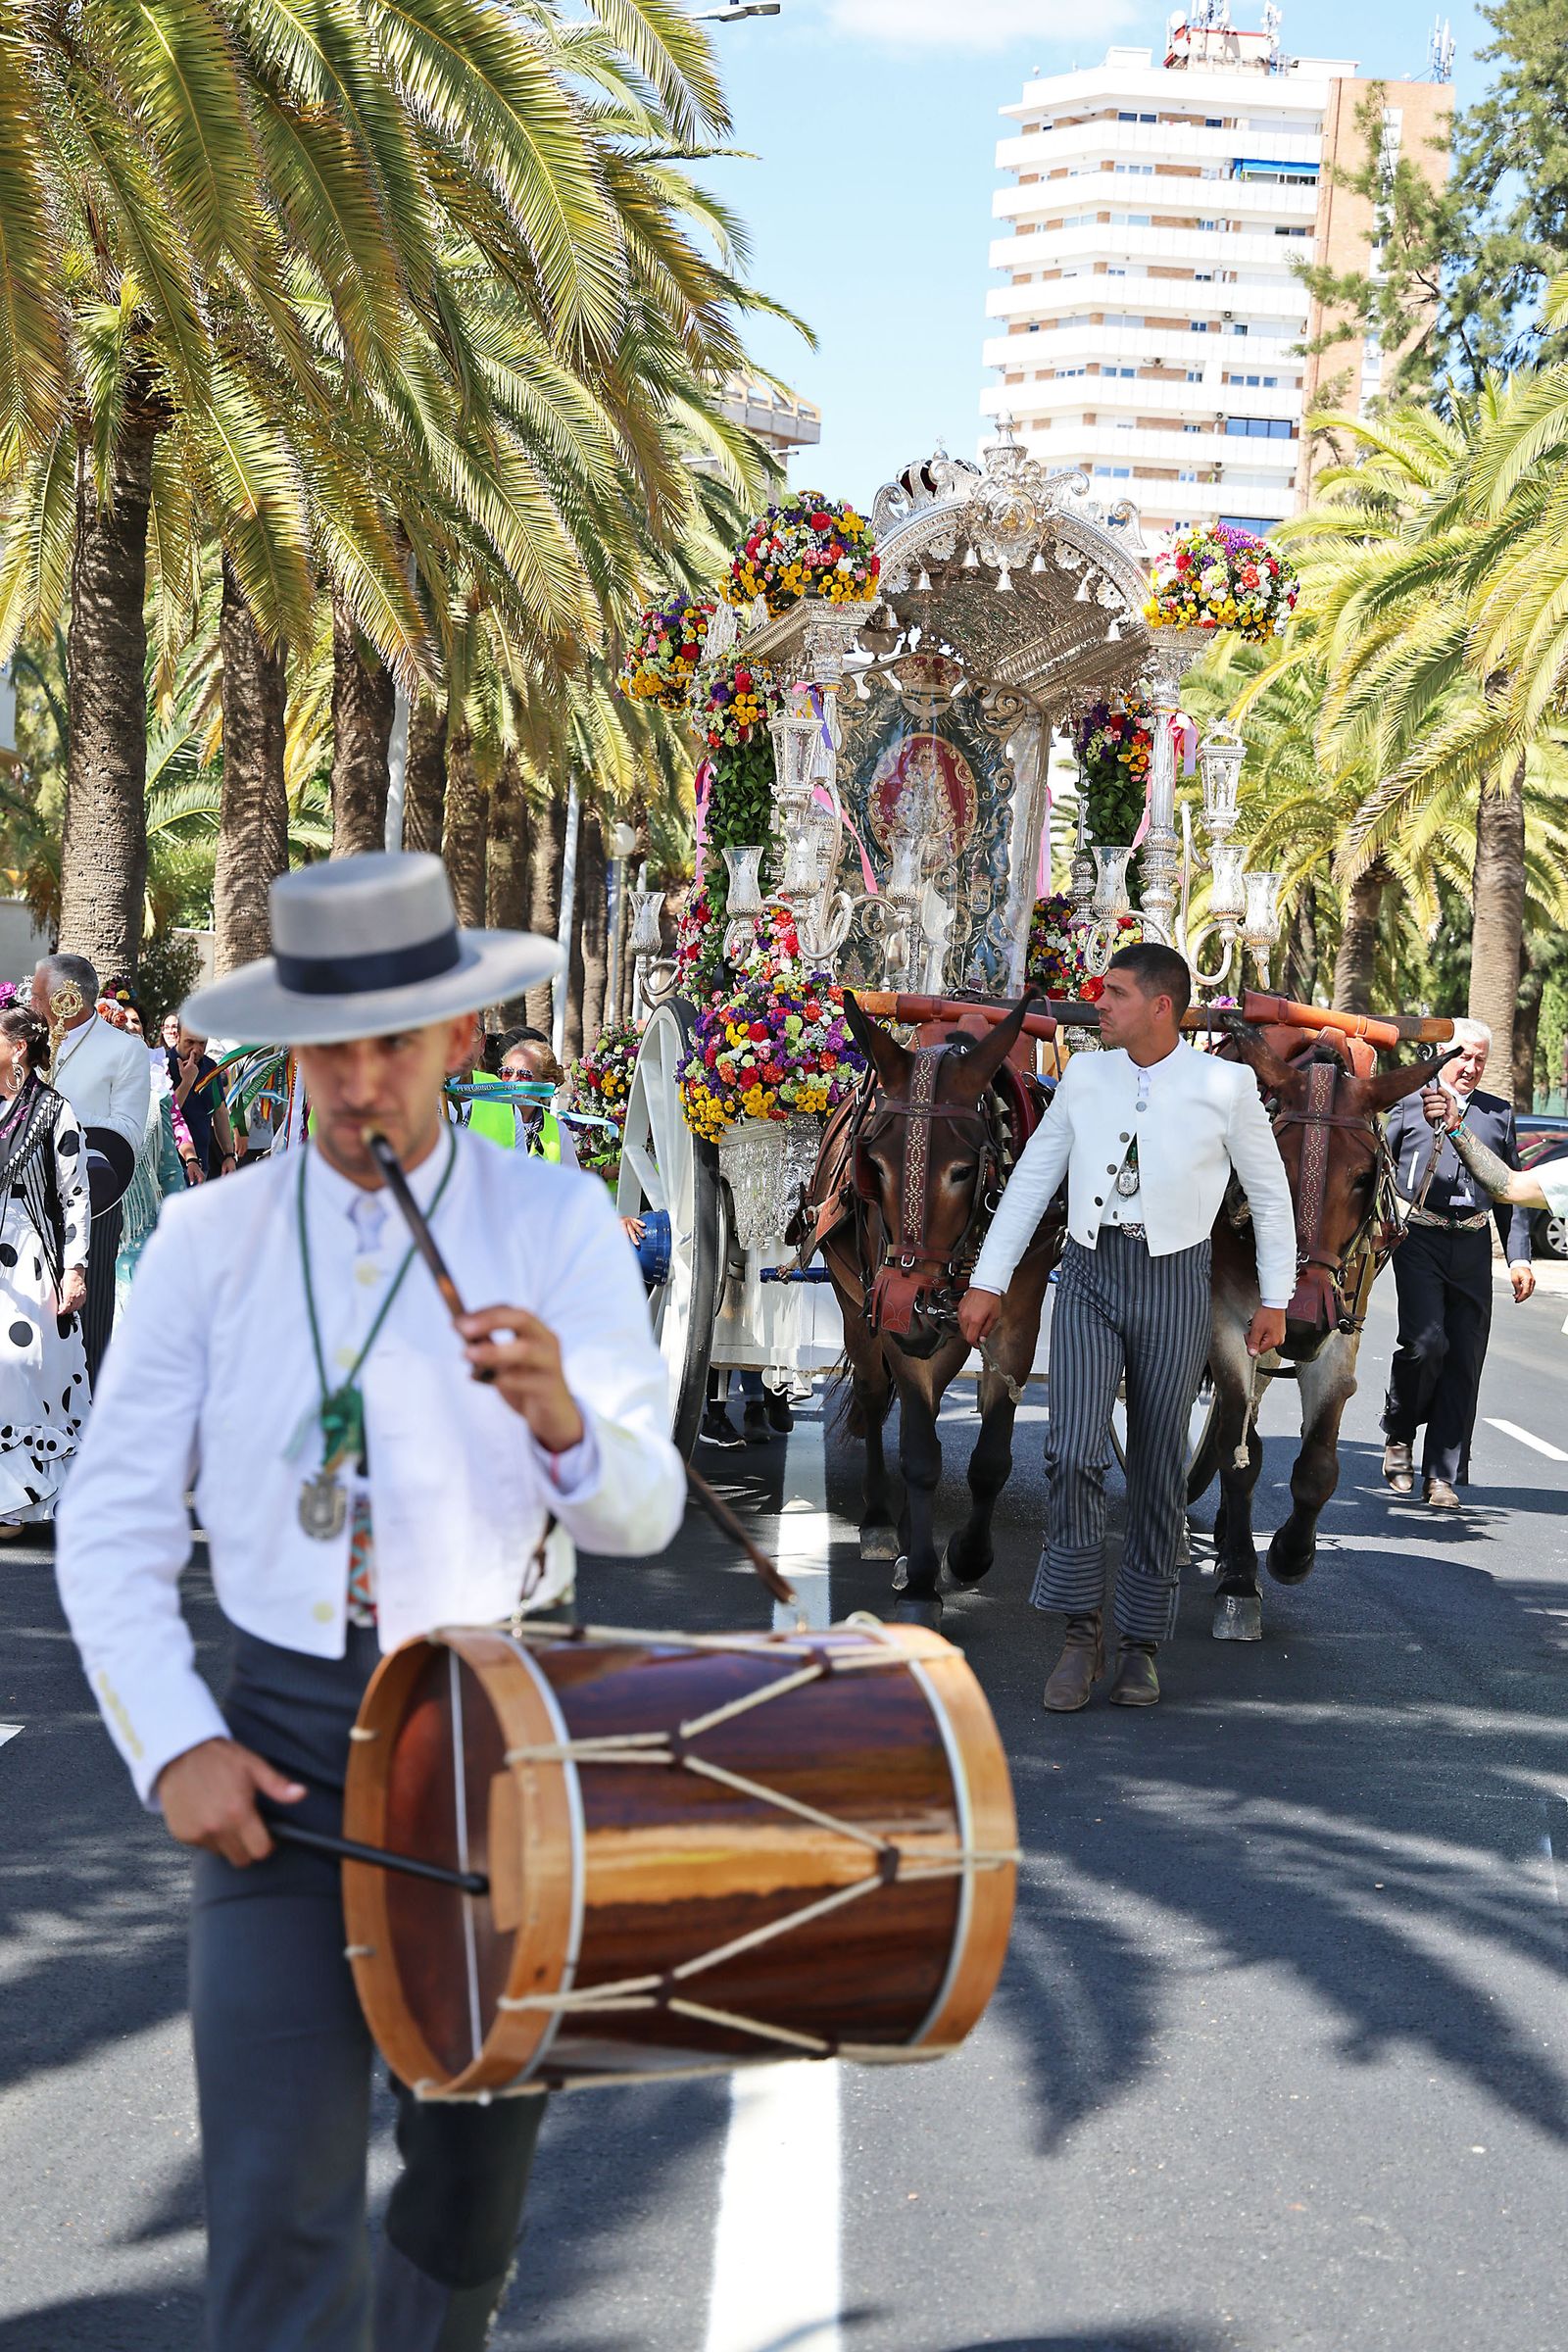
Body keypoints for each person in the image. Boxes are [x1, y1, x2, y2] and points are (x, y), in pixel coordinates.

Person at [55, 852, 685, 2352]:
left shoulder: (559, 1224)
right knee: (277, 2206)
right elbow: (112, 1523)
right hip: (276, 1739)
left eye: (390, 1042)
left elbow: (645, 1510)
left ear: (459, 1039)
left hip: (496, 1735)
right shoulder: (209, 1245)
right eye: (327, 1047)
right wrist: (175, 1744)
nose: (356, 1083)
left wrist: (562, 1420)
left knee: (467, 2194)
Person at [957, 944, 1297, 1711]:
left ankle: (1139, 1642)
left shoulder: (1226, 1085)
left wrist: (1274, 1296)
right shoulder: (1085, 1075)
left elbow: (1271, 1200)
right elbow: (1034, 1178)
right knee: (1073, 1453)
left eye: (1112, 994)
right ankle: (1081, 1632)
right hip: (1086, 1276)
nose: (1096, 1005)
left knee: (1155, 1470)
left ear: (1160, 1007)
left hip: (1177, 1282)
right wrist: (986, 1281)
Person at [1379, 1019, 1534, 1509]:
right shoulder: (1409, 1101)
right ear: (1443, 1055)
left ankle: (1441, 1476)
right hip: (1418, 1236)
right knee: (1425, 1344)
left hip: (1471, 1245)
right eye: (1462, 1056)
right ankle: (1400, 1429)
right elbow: (1376, 1170)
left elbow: (1511, 1191)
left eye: (1480, 1059)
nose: (1470, 1067)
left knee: (1464, 1359)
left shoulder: (1498, 1114)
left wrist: (1519, 1257)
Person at [31, 952, 150, 1390]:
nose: (32, 1000)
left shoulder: (125, 1050)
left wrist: (57, 1124)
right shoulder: (29, 1042)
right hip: (27, 1202)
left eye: (38, 993)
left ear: (65, 998)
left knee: (89, 1316)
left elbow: (128, 1130)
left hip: (93, 1199)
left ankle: (90, 1427)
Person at [0, 1005, 90, 1535]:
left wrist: (75, 1270)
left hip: (30, 1251)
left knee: (18, 1367)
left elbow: (75, 1194)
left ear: (18, 1049)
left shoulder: (55, 1111)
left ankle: (19, 1498)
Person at [169, 1023, 239, 1182]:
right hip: (171, 1165)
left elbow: (219, 1111)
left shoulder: (209, 1067)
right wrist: (187, 1082)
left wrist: (228, 1154)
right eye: (190, 1042)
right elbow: (167, 1114)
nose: (196, 1049)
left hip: (201, 1162)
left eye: (202, 1043)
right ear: (177, 1036)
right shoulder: (163, 1064)